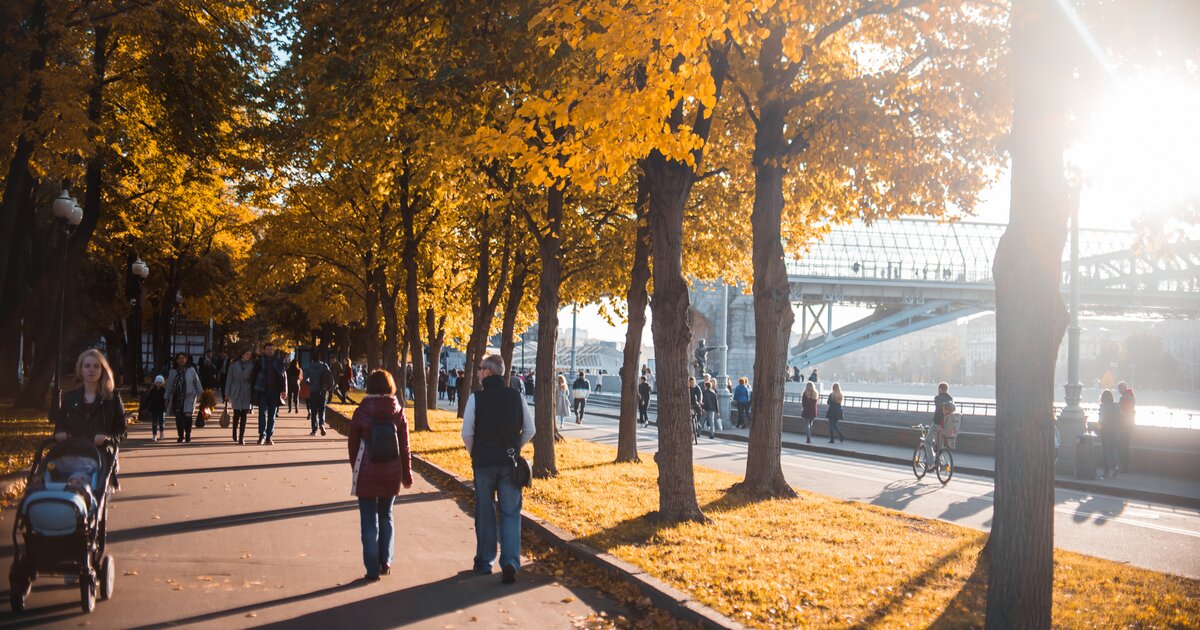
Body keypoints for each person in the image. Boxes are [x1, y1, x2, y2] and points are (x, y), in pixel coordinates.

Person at [461, 354, 534, 584]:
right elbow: (530, 430)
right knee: (511, 512)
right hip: (509, 463)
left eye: (481, 368)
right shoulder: (516, 397)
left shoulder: (476, 399)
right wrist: (516, 446)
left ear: (488, 373)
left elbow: (466, 433)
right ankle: (511, 561)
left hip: (483, 464)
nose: (479, 372)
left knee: (485, 511)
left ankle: (484, 561)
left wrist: (475, 453)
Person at [348, 369, 413, 582]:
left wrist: (355, 468)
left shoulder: (362, 411)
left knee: (369, 520)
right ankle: (386, 561)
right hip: (392, 470)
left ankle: (372, 569)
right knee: (386, 515)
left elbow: (353, 443)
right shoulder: (398, 411)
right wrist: (407, 474)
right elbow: (405, 446)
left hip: (367, 470)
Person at [55, 349, 126, 447]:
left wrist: (107, 439)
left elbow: (122, 432)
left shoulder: (113, 399)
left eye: (96, 366)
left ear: (102, 370)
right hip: (73, 456)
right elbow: (59, 427)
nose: (91, 369)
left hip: (103, 457)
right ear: (80, 369)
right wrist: (59, 434)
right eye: (87, 366)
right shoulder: (69, 399)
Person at [249, 341, 287, 445]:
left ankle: (269, 437)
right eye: (268, 349)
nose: (270, 351)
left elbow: (283, 376)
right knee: (262, 414)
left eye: (271, 349)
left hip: (274, 392)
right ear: (264, 350)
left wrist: (284, 390)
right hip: (262, 391)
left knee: (272, 415)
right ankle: (262, 435)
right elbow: (254, 376)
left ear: (273, 350)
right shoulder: (260, 361)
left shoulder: (278, 362)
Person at [164, 352, 203, 443]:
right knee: (179, 417)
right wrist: (166, 398)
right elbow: (169, 386)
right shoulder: (173, 371)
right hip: (177, 397)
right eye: (179, 358)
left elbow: (197, 383)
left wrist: (201, 396)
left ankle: (188, 434)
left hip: (189, 396)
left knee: (188, 415)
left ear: (186, 359)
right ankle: (180, 435)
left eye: (183, 358)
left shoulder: (191, 370)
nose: (181, 360)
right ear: (176, 360)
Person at [225, 349, 254, 445]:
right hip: (236, 390)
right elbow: (229, 379)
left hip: (246, 390)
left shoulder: (252, 365)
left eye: (250, 355)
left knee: (244, 415)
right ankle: (234, 432)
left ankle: (242, 437)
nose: (248, 356)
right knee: (237, 414)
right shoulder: (234, 365)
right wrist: (227, 393)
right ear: (242, 354)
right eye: (247, 354)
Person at [305, 353, 334, 436]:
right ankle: (321, 424)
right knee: (322, 409)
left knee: (313, 411)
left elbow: (305, 379)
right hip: (323, 391)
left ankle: (314, 430)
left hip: (313, 391)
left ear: (312, 359)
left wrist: (310, 383)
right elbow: (330, 377)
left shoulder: (309, 367)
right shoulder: (324, 366)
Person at [1098, 389, 1122, 479]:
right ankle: (1116, 466)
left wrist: (1099, 427)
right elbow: (1120, 418)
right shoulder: (1116, 406)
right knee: (1113, 449)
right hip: (1115, 431)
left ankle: (1106, 471)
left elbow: (1101, 420)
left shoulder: (1103, 406)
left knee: (1106, 451)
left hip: (1105, 431)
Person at [141, 375, 167, 442]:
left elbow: (167, 400)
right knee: (154, 423)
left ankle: (161, 433)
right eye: (157, 382)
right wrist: (144, 407)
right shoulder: (152, 391)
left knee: (161, 423)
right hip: (154, 409)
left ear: (162, 383)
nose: (158, 384)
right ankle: (154, 435)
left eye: (160, 382)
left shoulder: (164, 391)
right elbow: (148, 400)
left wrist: (166, 406)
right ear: (155, 382)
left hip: (161, 409)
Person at [1116, 381, 1135, 473]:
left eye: (1119, 389)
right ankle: (1126, 466)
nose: (1119, 391)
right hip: (1129, 425)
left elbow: (1123, 412)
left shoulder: (1125, 398)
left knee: (1122, 446)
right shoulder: (1130, 396)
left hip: (1125, 426)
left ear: (1122, 388)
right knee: (1124, 446)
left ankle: (1124, 466)